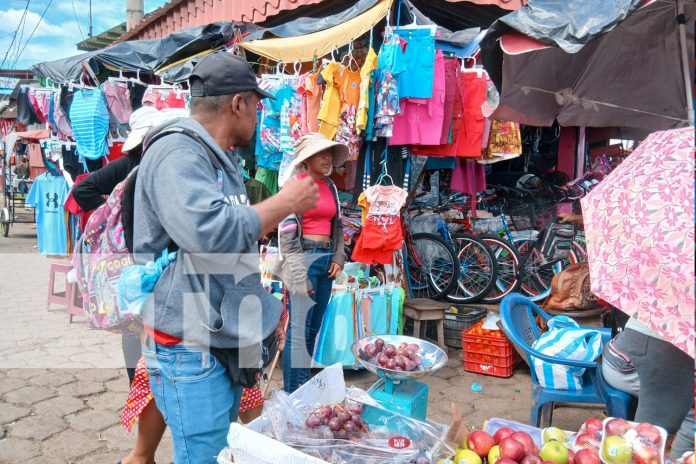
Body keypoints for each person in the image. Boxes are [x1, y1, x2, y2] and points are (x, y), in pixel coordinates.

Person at [132, 51, 319, 464]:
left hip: (221, 337)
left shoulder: (218, 158)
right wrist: (285, 202)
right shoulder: (177, 152)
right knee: (205, 457)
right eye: (256, 104)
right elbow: (205, 231)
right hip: (190, 345)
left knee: (224, 452)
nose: (258, 116)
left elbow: (227, 235)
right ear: (238, 103)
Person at [71, 106, 182, 464]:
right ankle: (141, 456)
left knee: (145, 371)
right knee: (149, 372)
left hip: (136, 286)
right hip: (146, 287)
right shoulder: (140, 174)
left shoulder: (140, 171)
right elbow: (84, 190)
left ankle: (142, 454)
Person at [278, 133, 348, 393]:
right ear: (307, 159)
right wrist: (298, 274)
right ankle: (291, 393)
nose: (327, 159)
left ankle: (303, 387)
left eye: (329, 154)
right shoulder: (294, 186)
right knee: (298, 331)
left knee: (312, 330)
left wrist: (339, 257)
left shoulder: (331, 187)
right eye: (321, 154)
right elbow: (286, 233)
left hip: (327, 262)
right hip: (303, 259)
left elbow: (338, 226)